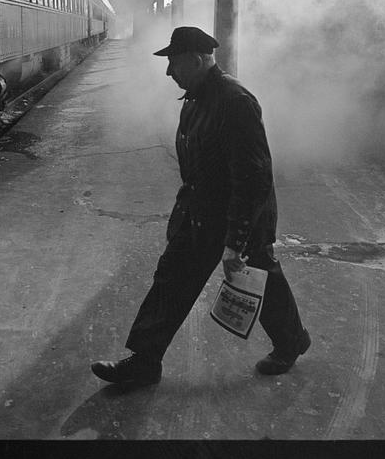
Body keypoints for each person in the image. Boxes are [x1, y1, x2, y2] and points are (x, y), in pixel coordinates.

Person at [91, 26, 309, 385]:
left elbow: (253, 178)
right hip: (201, 213)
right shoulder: (195, 97)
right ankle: (145, 360)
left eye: (173, 63)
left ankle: (291, 341)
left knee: (260, 280)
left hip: (240, 216)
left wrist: (235, 241)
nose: (168, 72)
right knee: (171, 279)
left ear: (196, 60)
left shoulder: (235, 102)